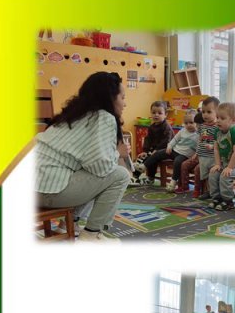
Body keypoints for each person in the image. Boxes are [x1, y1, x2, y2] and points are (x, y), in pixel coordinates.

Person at [35, 71, 130, 242]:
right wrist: (118, 153)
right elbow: (101, 167)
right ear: (110, 97)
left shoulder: (73, 115)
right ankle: (91, 235)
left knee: (87, 172)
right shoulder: (104, 117)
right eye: (122, 97)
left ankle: (69, 224)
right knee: (120, 175)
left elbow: (89, 162)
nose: (125, 103)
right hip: (49, 191)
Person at [208, 102, 235, 211]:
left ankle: (228, 201)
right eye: (217, 117)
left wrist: (230, 167)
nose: (218, 120)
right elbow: (216, 149)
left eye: (222, 118)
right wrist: (217, 164)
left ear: (233, 120)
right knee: (213, 173)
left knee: (225, 176)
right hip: (225, 164)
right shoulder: (217, 131)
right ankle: (217, 198)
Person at [136, 100, 175, 185]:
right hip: (155, 150)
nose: (156, 115)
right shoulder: (151, 127)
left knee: (152, 157)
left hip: (167, 150)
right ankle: (136, 176)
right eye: (153, 112)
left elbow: (166, 141)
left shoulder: (166, 126)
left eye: (160, 113)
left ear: (165, 114)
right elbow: (148, 139)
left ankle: (150, 178)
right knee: (143, 157)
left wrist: (157, 149)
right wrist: (145, 151)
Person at [193, 97, 221, 200]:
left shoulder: (218, 127)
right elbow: (200, 140)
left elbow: (220, 142)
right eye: (203, 112)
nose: (205, 115)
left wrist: (212, 146)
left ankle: (215, 192)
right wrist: (197, 153)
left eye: (209, 112)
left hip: (213, 157)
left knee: (212, 175)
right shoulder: (202, 126)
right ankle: (208, 191)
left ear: (217, 112)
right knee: (205, 176)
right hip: (203, 156)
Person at [164, 110, 199, 192]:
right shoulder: (183, 130)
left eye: (191, 122)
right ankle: (143, 166)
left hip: (185, 155)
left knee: (178, 161)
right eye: (186, 123)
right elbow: (175, 139)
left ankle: (173, 182)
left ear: (197, 123)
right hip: (175, 150)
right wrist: (169, 146)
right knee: (159, 153)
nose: (188, 125)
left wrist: (196, 154)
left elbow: (200, 146)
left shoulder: (198, 134)